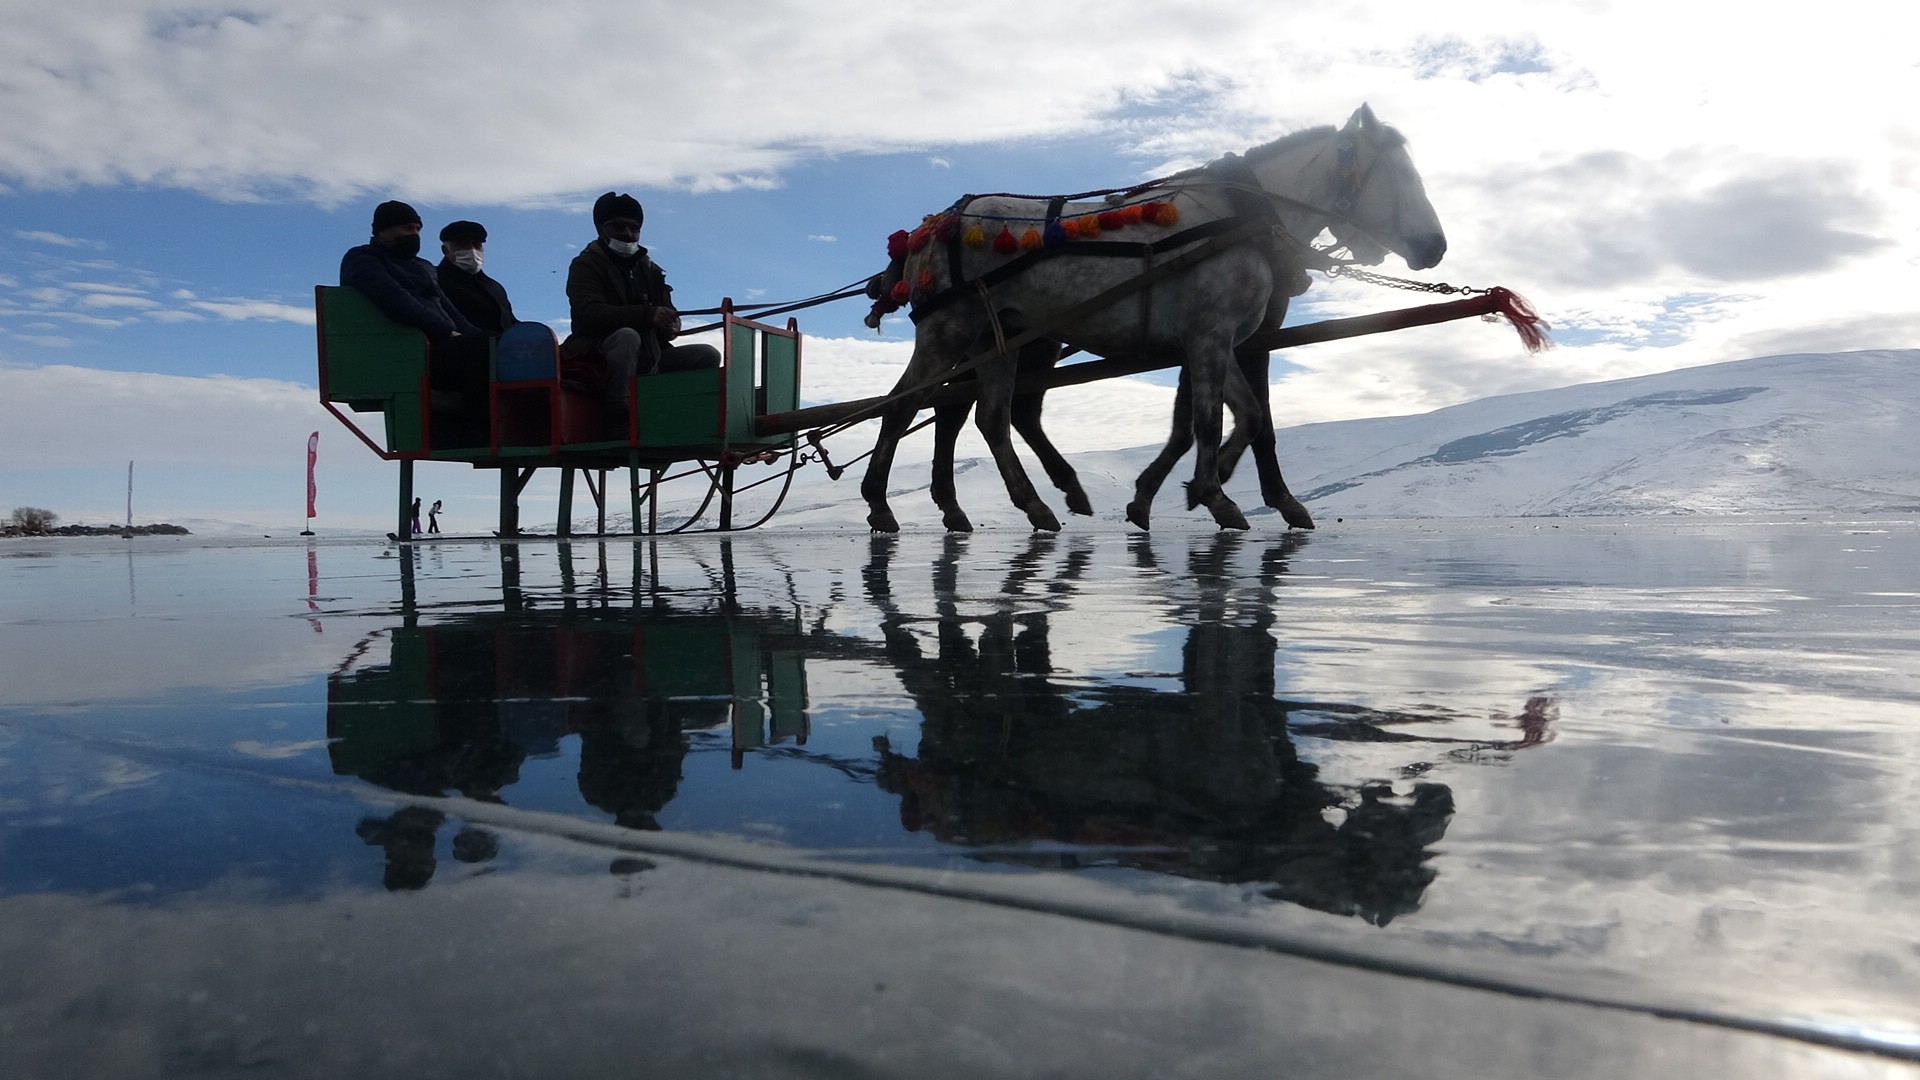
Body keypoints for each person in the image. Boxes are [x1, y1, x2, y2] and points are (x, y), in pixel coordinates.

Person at [560, 192, 719, 434]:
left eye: (634, 228)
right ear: (601, 228)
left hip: (649, 356)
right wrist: (648, 315)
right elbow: (590, 314)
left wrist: (671, 325)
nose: (627, 233)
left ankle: (675, 418)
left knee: (706, 355)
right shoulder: (585, 265)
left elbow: (666, 315)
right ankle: (617, 416)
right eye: (619, 226)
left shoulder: (650, 269)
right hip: (598, 357)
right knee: (627, 336)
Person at [340, 200, 490, 447]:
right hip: (405, 349)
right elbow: (396, 302)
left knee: (491, 345)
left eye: (418, 229)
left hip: (437, 345)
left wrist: (484, 337)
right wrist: (446, 332)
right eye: (407, 228)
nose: (414, 235)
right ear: (382, 230)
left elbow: (449, 309)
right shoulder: (363, 260)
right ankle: (472, 432)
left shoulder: (422, 267)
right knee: (479, 349)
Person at [434, 220, 518, 336]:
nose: (472, 250)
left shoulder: (495, 287)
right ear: (445, 250)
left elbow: (510, 323)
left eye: (476, 244)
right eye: (462, 244)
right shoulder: (434, 279)